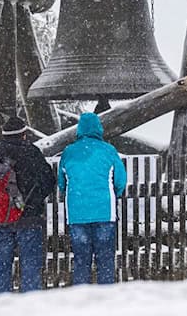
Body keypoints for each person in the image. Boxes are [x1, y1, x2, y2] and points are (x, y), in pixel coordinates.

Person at [0, 116, 56, 294]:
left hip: (1, 218)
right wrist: (33, 202)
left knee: (2, 264)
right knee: (30, 265)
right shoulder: (32, 152)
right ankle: (29, 305)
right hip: (28, 218)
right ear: (23, 134)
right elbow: (48, 181)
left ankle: (0, 304)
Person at [57, 112, 126, 285]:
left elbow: (61, 182)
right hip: (104, 213)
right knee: (105, 261)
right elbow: (120, 180)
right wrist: (113, 195)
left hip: (77, 214)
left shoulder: (69, 152)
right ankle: (106, 297)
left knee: (81, 260)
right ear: (99, 128)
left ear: (79, 129)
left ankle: (82, 299)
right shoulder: (108, 150)